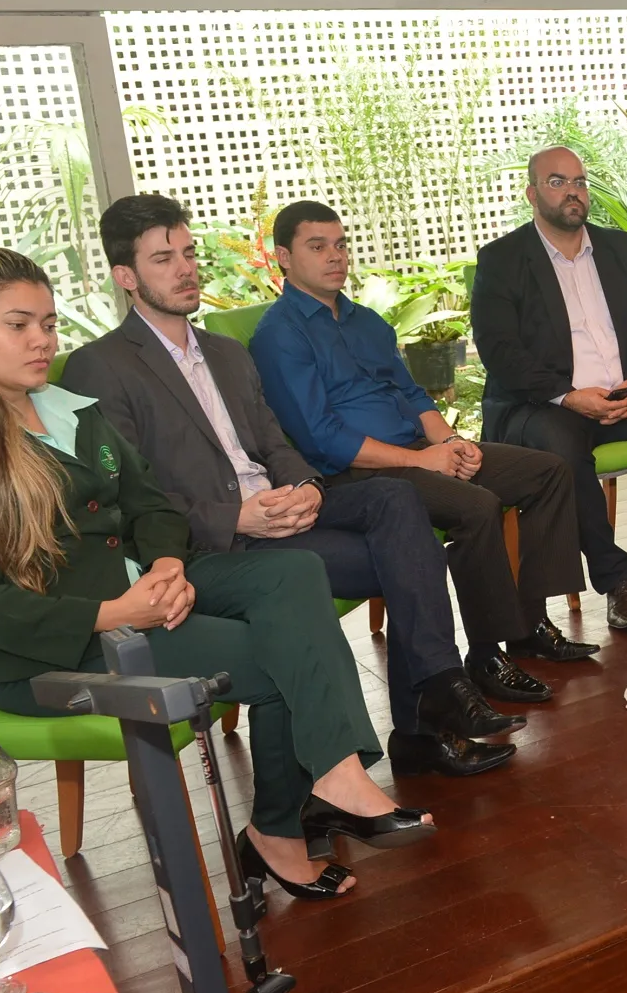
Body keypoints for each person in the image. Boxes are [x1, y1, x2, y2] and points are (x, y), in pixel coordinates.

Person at [0, 248, 431, 903]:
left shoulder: (68, 407)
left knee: (292, 574)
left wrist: (170, 564)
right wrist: (118, 613)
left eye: (48, 322)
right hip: (48, 646)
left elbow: (149, 501)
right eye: (19, 325)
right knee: (281, 658)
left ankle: (331, 779)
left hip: (141, 593)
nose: (42, 340)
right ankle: (284, 829)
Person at [64, 194, 524, 779]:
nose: (185, 269)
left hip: (287, 515)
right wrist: (236, 517)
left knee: (398, 500)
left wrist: (305, 485)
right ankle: (425, 721)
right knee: (413, 553)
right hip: (215, 544)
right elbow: (128, 496)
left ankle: (435, 695)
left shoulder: (228, 354)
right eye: (163, 259)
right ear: (125, 276)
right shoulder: (99, 367)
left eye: (188, 253)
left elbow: (277, 443)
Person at [250, 201, 599, 682]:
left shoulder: (367, 321)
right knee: (477, 505)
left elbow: (414, 396)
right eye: (318, 247)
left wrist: (451, 443)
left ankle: (528, 624)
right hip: (355, 475)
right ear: (284, 258)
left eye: (341, 245)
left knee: (546, 472)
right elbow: (321, 436)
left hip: (419, 451)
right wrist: (427, 462)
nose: (335, 257)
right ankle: (486, 652)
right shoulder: (279, 335)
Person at [470, 147, 627, 620]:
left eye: (579, 181)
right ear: (532, 194)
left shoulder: (617, 247)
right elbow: (499, 350)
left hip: (625, 395)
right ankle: (616, 581)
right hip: (547, 404)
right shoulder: (503, 258)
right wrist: (569, 396)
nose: (573, 190)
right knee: (563, 453)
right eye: (557, 181)